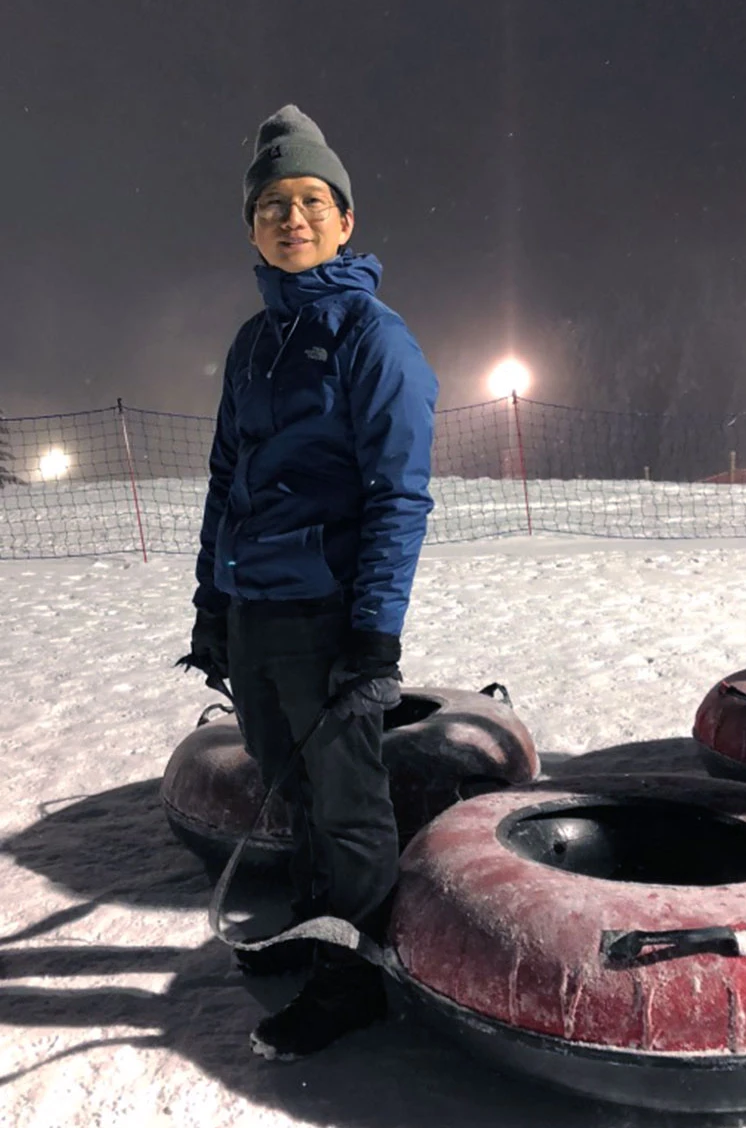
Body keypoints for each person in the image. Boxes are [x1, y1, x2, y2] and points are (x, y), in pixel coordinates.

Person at [182, 104, 439, 1058]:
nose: (293, 217)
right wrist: (214, 600)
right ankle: (309, 928)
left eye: (312, 202)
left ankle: (353, 979)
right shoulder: (254, 345)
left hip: (330, 614)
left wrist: (373, 638)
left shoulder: (374, 340)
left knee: (347, 804)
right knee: (285, 783)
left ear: (344, 221)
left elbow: (398, 497)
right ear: (252, 225)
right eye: (273, 205)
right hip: (258, 612)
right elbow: (224, 479)